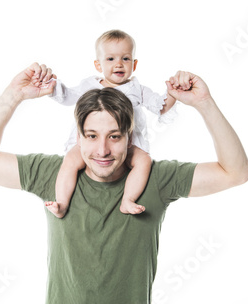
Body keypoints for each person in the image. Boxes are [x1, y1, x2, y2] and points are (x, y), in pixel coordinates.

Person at [0, 62, 248, 304]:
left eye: (114, 136)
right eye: (91, 136)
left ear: (130, 135)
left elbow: (236, 173)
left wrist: (204, 103)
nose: (102, 151)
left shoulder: (156, 179)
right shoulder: (55, 174)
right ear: (78, 136)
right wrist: (13, 95)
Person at [45, 29, 179, 218]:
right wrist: (52, 87)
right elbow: (67, 97)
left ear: (134, 64)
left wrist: (172, 93)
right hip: (91, 141)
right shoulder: (89, 85)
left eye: (125, 59)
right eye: (110, 59)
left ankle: (128, 199)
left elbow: (160, 106)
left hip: (126, 142)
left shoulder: (137, 89)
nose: (119, 64)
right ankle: (62, 203)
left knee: (143, 160)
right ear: (98, 64)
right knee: (70, 160)